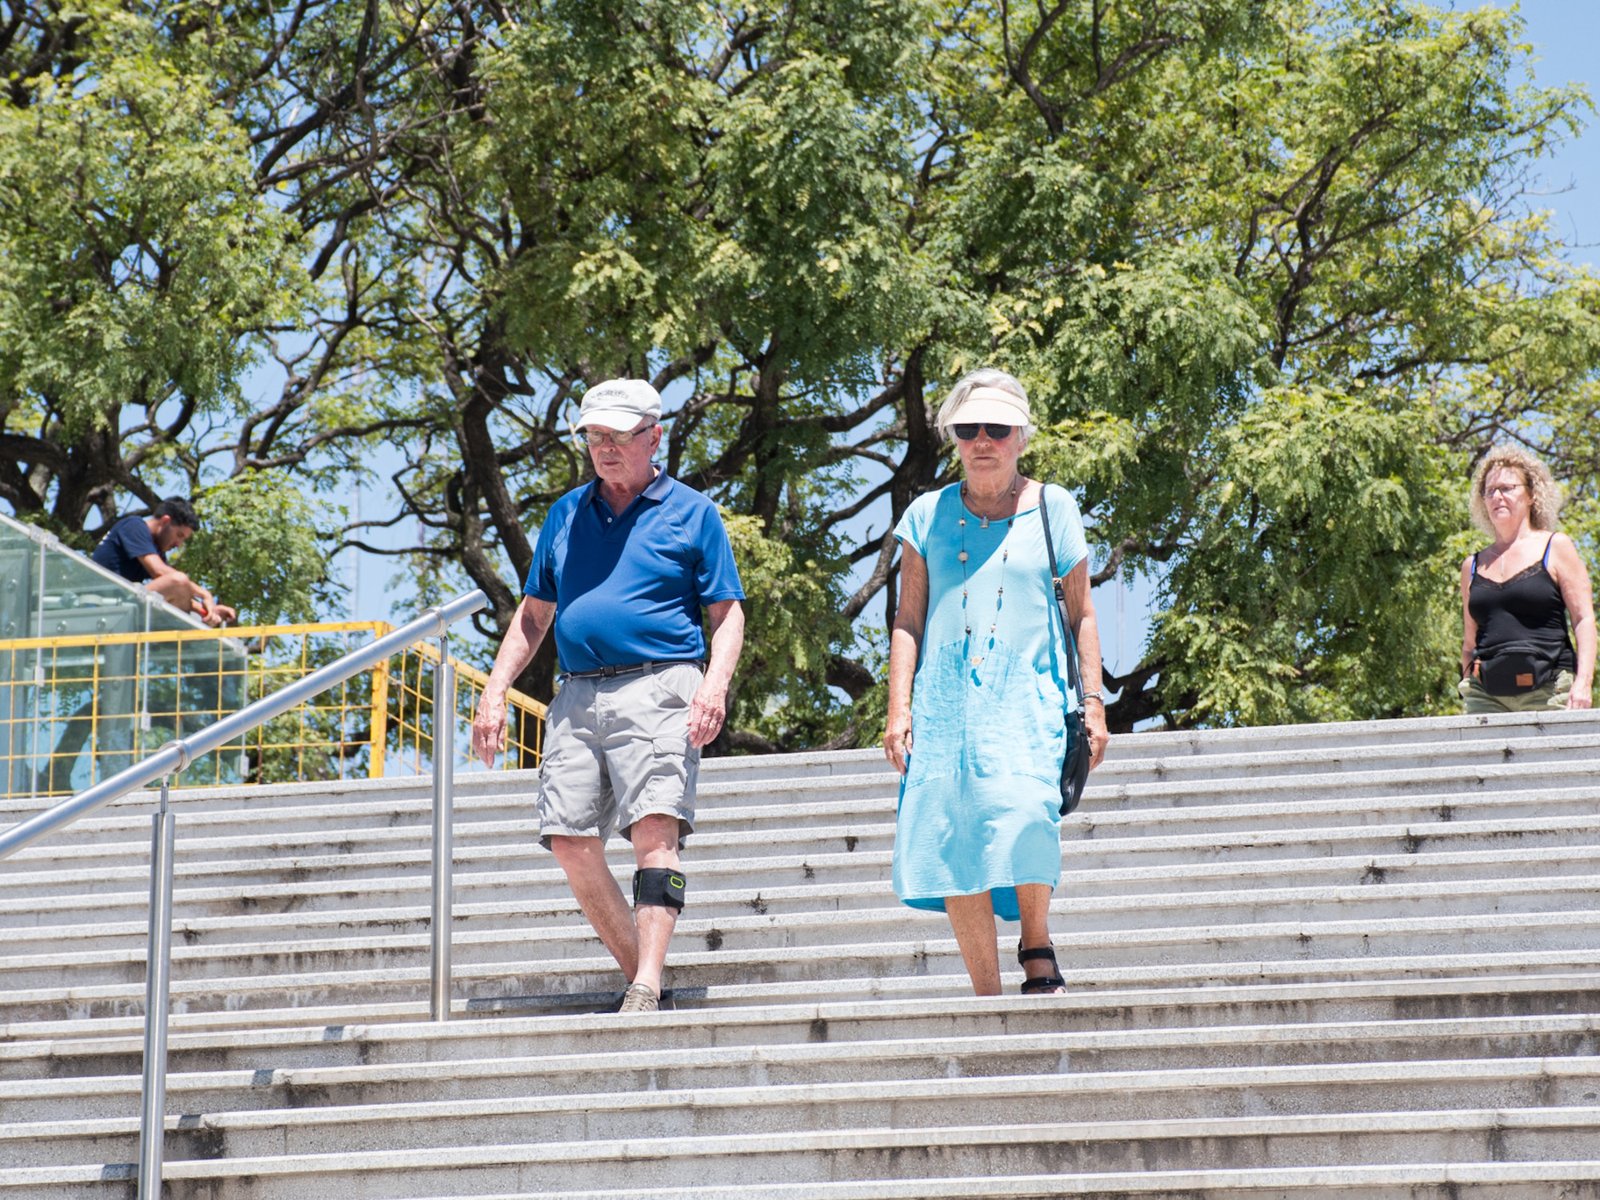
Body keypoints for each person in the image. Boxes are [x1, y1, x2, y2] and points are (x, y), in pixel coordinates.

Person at [471, 378, 746, 1014]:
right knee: (567, 837)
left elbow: (726, 614)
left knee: (655, 832)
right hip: (575, 693)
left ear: (655, 435)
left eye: (620, 435)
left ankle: (647, 983)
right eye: (596, 436)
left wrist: (715, 684)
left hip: (661, 684)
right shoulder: (565, 513)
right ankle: (644, 976)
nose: (606, 447)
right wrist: (494, 690)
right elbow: (535, 612)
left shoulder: (692, 511)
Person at [883, 367, 1109, 997]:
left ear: (1021, 437)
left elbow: (1082, 612)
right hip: (946, 703)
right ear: (954, 437)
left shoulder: (1054, 507)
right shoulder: (926, 514)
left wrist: (1093, 700)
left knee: (1028, 815)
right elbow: (907, 617)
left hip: (1029, 698)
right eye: (968, 428)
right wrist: (898, 707)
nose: (982, 439)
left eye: (998, 428)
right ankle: (987, 993)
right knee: (953, 837)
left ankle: (1036, 942)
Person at [1459, 445, 1594, 713]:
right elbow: (1469, 642)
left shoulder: (1556, 547)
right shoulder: (1471, 566)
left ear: (1532, 494)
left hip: (1549, 689)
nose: (1497, 496)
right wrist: (1465, 682)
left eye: (1507, 488)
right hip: (1486, 694)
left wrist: (1583, 683)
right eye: (1489, 491)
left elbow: (1584, 619)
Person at [90, 497, 236, 627]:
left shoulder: (156, 550)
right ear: (165, 521)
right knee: (178, 580)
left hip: (122, 606)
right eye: (179, 535)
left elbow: (175, 591)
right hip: (98, 606)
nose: (178, 544)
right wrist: (205, 594)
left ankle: (180, 646)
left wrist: (207, 611)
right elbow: (162, 573)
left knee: (179, 585)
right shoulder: (134, 526)